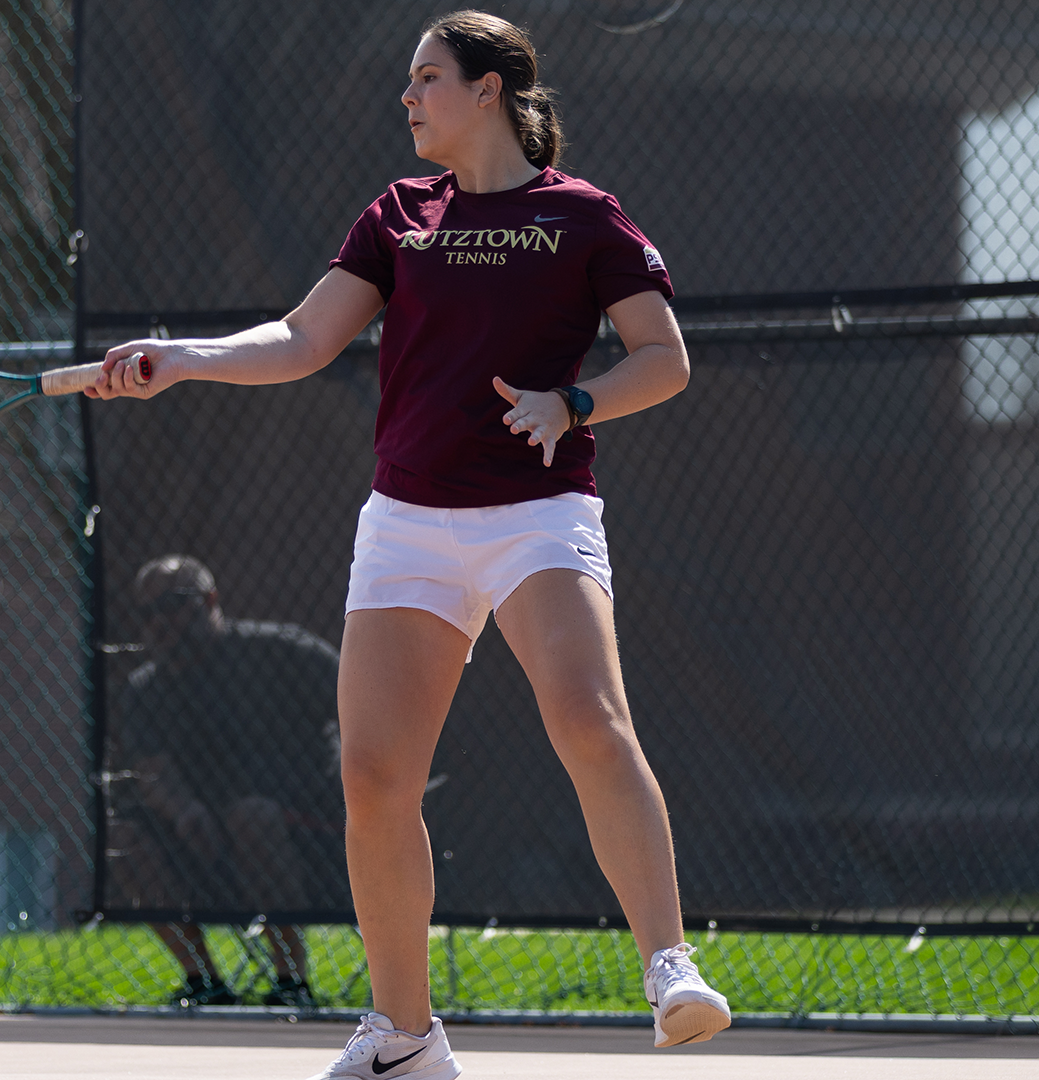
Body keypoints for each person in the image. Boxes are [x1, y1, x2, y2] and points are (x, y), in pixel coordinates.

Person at [89, 9, 732, 1075]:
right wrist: (186, 354)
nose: (408, 95)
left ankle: (670, 967)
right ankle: (404, 1035)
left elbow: (663, 360)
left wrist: (573, 402)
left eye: (427, 76)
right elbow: (303, 339)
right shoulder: (397, 215)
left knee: (588, 717)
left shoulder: (584, 217)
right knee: (375, 775)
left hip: (538, 512)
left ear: (488, 90)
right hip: (407, 523)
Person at [106, 555, 342, 1009]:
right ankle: (205, 982)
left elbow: (358, 700)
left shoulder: (277, 651)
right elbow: (151, 769)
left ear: (210, 600)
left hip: (306, 832)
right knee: (123, 837)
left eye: (173, 604)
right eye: (148, 612)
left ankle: (291, 983)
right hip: (203, 840)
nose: (160, 621)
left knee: (250, 817)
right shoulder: (146, 688)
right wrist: (184, 811)